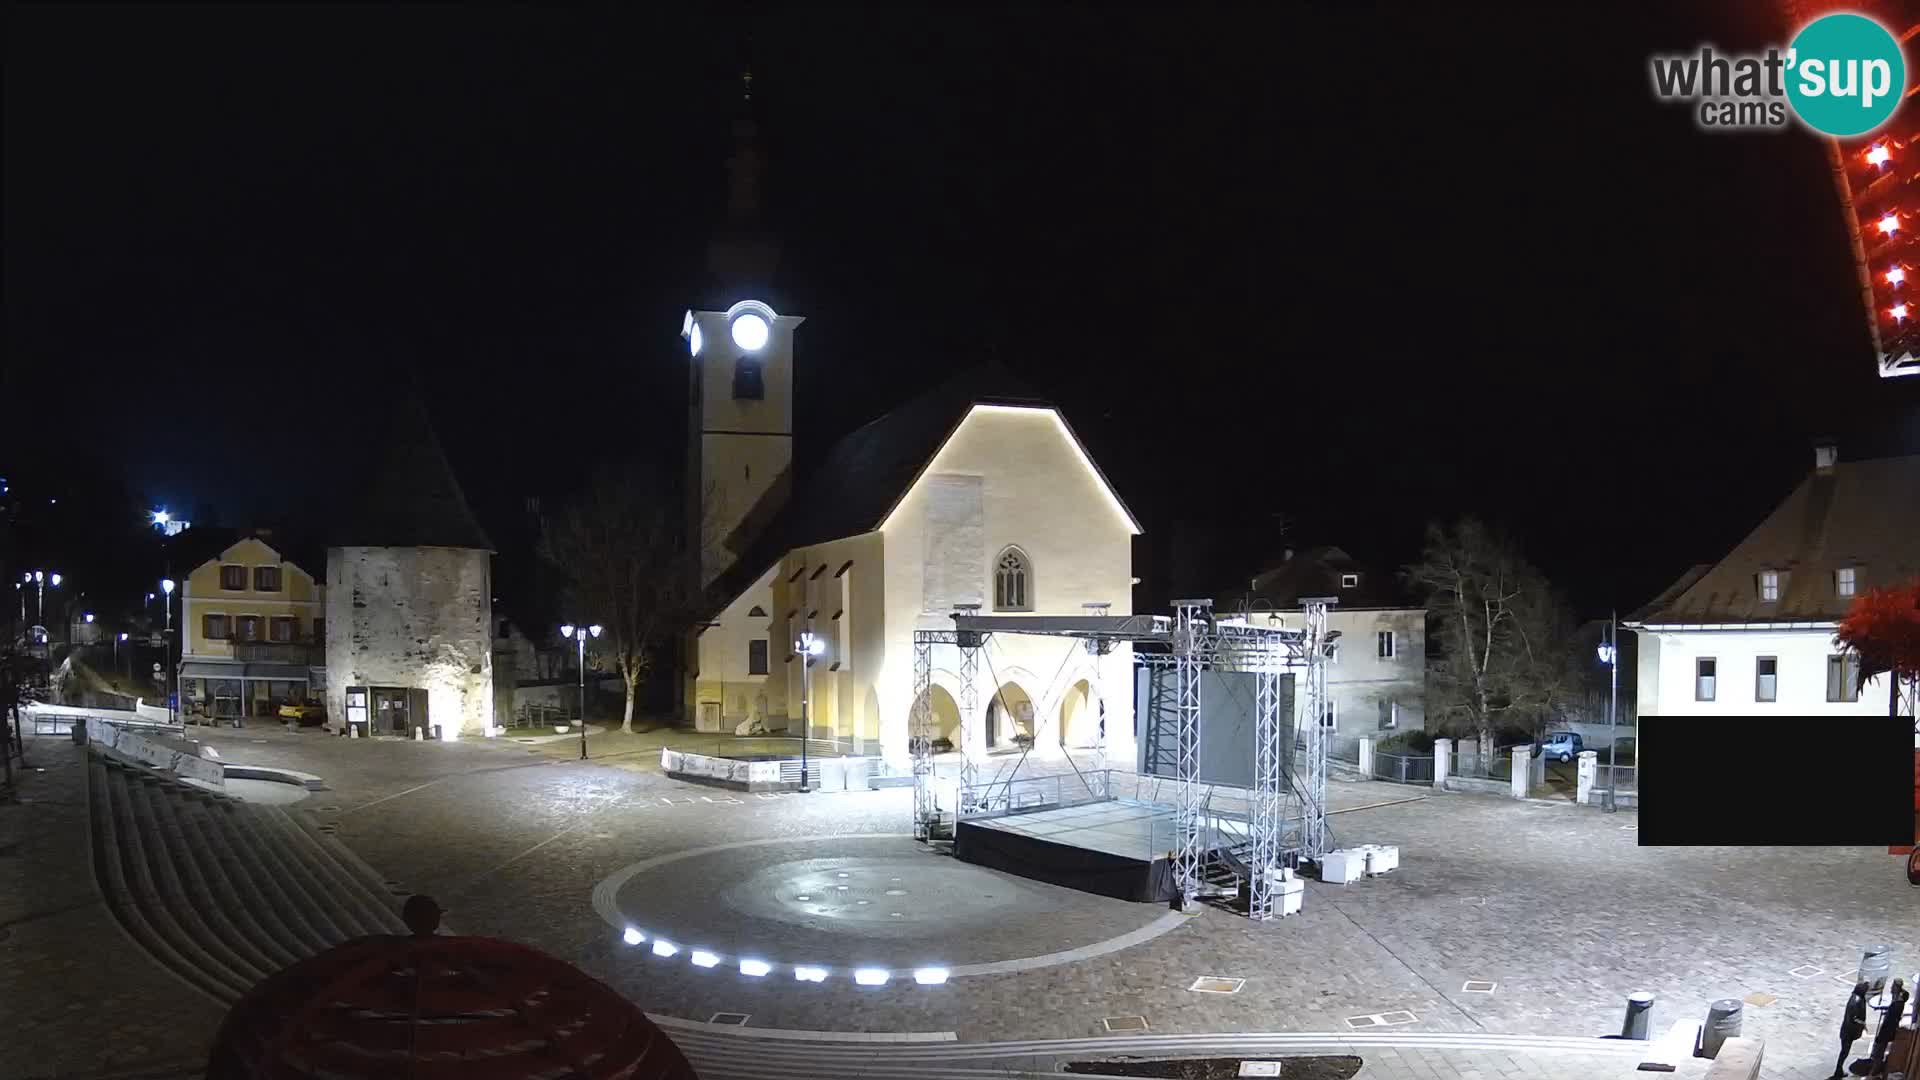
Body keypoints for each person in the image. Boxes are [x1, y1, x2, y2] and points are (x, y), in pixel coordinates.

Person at [1869, 977, 1909, 1079]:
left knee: (1879, 1051)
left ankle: (1875, 1070)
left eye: (1893, 986)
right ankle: (1876, 1067)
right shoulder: (1898, 999)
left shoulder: (1897, 1003)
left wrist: (1880, 1036)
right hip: (1889, 1030)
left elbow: (1889, 1023)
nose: (1891, 988)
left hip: (1886, 1032)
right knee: (1880, 1049)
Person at [1836, 980, 1869, 1079]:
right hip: (1848, 1032)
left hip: (1848, 1031)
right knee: (1844, 1052)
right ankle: (1838, 1071)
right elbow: (1854, 1018)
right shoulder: (1855, 1002)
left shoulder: (1856, 998)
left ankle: (1839, 1070)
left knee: (1844, 1051)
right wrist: (1863, 1024)